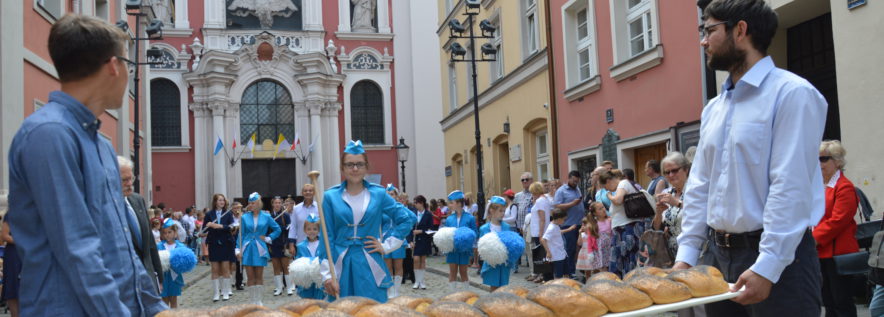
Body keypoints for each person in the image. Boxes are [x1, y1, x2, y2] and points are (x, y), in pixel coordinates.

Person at [6, 14, 166, 316]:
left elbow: (123, 249)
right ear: (113, 65)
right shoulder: (49, 134)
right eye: (128, 65)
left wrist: (155, 308)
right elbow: (77, 250)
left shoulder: (102, 146)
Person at [675, 1, 828, 315]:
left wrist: (768, 266)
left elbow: (791, 186)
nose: (703, 41)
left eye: (710, 30)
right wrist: (686, 255)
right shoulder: (714, 108)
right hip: (717, 259)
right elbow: (700, 185)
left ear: (740, 30)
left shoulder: (792, 94)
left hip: (780, 259)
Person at [320, 140, 416, 303]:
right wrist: (327, 275)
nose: (355, 169)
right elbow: (326, 237)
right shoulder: (330, 196)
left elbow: (407, 219)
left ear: (366, 167)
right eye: (349, 165)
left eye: (359, 164)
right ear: (342, 168)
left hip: (370, 264)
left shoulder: (379, 194)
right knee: (342, 311)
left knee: (372, 310)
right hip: (339, 265)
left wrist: (387, 246)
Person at [814, 140, 858, 316]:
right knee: (828, 302)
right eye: (816, 159)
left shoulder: (844, 187)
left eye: (824, 159)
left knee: (842, 302)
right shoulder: (819, 186)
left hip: (838, 254)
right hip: (820, 252)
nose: (819, 163)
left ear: (837, 161)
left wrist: (813, 239)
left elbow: (838, 220)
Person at [118, 156, 164, 293]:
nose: (129, 183)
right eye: (124, 180)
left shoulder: (138, 200)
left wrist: (159, 276)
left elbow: (149, 243)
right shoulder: (105, 208)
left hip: (148, 278)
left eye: (131, 178)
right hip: (125, 284)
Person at [236, 192, 282, 306]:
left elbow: (277, 229)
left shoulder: (266, 216)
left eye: (253, 203)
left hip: (260, 247)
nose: (251, 205)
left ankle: (259, 300)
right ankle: (252, 301)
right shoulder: (244, 217)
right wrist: (238, 249)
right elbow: (240, 235)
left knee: (259, 275)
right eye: (249, 203)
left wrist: (268, 238)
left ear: (258, 203)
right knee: (250, 276)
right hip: (247, 248)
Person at [604, 169, 652, 277]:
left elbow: (618, 200)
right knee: (626, 260)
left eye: (605, 186)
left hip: (627, 229)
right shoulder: (625, 185)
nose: (606, 189)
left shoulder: (623, 183)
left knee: (629, 261)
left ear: (608, 180)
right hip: (624, 229)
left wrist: (609, 196)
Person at [652, 152, 692, 260]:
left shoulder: (694, 191)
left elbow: (701, 213)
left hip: (692, 250)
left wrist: (677, 203)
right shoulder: (667, 192)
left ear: (686, 170)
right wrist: (659, 213)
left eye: (674, 170)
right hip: (670, 253)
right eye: (666, 172)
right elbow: (656, 228)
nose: (670, 175)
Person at [441, 190, 478, 291]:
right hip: (452, 249)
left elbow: (475, 233)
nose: (449, 205)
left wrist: (468, 239)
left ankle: (466, 294)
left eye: (451, 203)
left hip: (464, 250)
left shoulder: (470, 218)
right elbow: (446, 233)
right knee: (452, 272)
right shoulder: (449, 219)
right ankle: (453, 294)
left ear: (458, 203)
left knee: (463, 272)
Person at [203, 194, 236, 301]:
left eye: (223, 200)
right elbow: (204, 228)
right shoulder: (209, 214)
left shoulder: (228, 213)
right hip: (213, 244)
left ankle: (225, 291)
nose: (222, 202)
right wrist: (208, 226)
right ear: (215, 202)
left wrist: (220, 226)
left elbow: (232, 226)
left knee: (226, 268)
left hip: (226, 243)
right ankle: (216, 293)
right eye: (219, 200)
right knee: (215, 269)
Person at [554, 170, 586, 279]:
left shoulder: (577, 189)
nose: (575, 183)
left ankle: (576, 270)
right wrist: (572, 204)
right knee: (570, 248)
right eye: (573, 181)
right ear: (569, 178)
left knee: (579, 248)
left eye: (577, 181)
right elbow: (557, 206)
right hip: (568, 224)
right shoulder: (561, 191)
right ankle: (570, 272)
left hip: (579, 223)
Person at [479, 196, 514, 291]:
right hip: (492, 263)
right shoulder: (484, 229)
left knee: (503, 287)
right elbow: (482, 247)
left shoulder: (506, 227)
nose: (503, 213)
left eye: (504, 211)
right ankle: (493, 304)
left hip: (504, 262)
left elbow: (510, 243)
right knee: (494, 287)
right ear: (492, 211)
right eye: (500, 211)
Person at [383, 184, 409, 299]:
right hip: (385, 240)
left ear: (396, 196)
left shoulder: (401, 208)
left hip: (398, 239)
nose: (390, 196)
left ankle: (397, 290)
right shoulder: (382, 209)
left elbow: (407, 224)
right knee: (387, 266)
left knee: (398, 265)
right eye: (388, 194)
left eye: (392, 194)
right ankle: (390, 290)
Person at [295, 215, 327, 300]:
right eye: (309, 229)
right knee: (307, 301)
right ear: (305, 230)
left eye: (315, 229)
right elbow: (297, 262)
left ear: (319, 230)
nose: (312, 231)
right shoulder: (300, 246)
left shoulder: (323, 245)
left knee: (319, 301)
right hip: (306, 279)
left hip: (319, 278)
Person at [158, 219, 188, 308]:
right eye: (165, 233)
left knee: (173, 299)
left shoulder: (180, 246)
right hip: (163, 277)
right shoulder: (159, 246)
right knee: (164, 300)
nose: (167, 235)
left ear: (175, 233)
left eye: (169, 232)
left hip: (175, 276)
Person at [542, 209, 577, 279]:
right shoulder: (551, 228)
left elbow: (558, 232)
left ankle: (565, 286)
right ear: (558, 219)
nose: (564, 221)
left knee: (566, 273)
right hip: (556, 256)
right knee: (559, 275)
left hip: (562, 254)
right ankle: (558, 288)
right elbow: (543, 239)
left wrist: (569, 229)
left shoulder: (555, 225)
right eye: (564, 219)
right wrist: (548, 252)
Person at [268, 196, 293, 296]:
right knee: (276, 267)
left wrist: (280, 228)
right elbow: (267, 230)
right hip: (273, 243)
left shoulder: (285, 215)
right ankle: (279, 288)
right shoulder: (269, 216)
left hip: (283, 244)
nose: (277, 204)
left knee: (286, 267)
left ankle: (289, 287)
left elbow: (289, 229)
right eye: (275, 203)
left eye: (279, 203)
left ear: (281, 204)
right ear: (272, 204)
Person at [528, 182, 552, 282]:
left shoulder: (540, 201)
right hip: (539, 230)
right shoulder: (544, 200)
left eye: (532, 192)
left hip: (538, 231)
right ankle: (543, 275)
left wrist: (540, 233)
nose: (532, 194)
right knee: (541, 255)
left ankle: (544, 276)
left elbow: (542, 219)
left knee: (540, 255)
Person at [411, 195, 434, 290]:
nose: (414, 204)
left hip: (424, 240)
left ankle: (422, 281)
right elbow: (409, 228)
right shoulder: (413, 213)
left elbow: (431, 229)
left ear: (421, 203)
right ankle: (417, 281)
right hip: (415, 240)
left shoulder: (428, 214)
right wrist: (410, 241)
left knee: (423, 260)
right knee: (416, 259)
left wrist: (421, 231)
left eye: (416, 202)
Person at [514, 172, 534, 276]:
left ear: (531, 181)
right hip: (519, 226)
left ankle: (533, 271)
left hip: (530, 226)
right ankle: (517, 266)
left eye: (527, 179)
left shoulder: (534, 194)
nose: (524, 182)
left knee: (531, 249)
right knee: (520, 246)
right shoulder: (517, 196)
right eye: (523, 180)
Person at [2, 219, 21, 317]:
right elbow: (4, 235)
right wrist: (23, 242)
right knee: (13, 288)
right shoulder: (11, 215)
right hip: (14, 254)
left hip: (27, 254)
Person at [229, 202, 245, 290]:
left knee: (240, 262)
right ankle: (231, 281)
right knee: (231, 262)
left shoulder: (243, 217)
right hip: (231, 240)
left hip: (240, 240)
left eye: (238, 208)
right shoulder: (229, 217)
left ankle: (239, 282)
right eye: (235, 208)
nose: (236, 210)